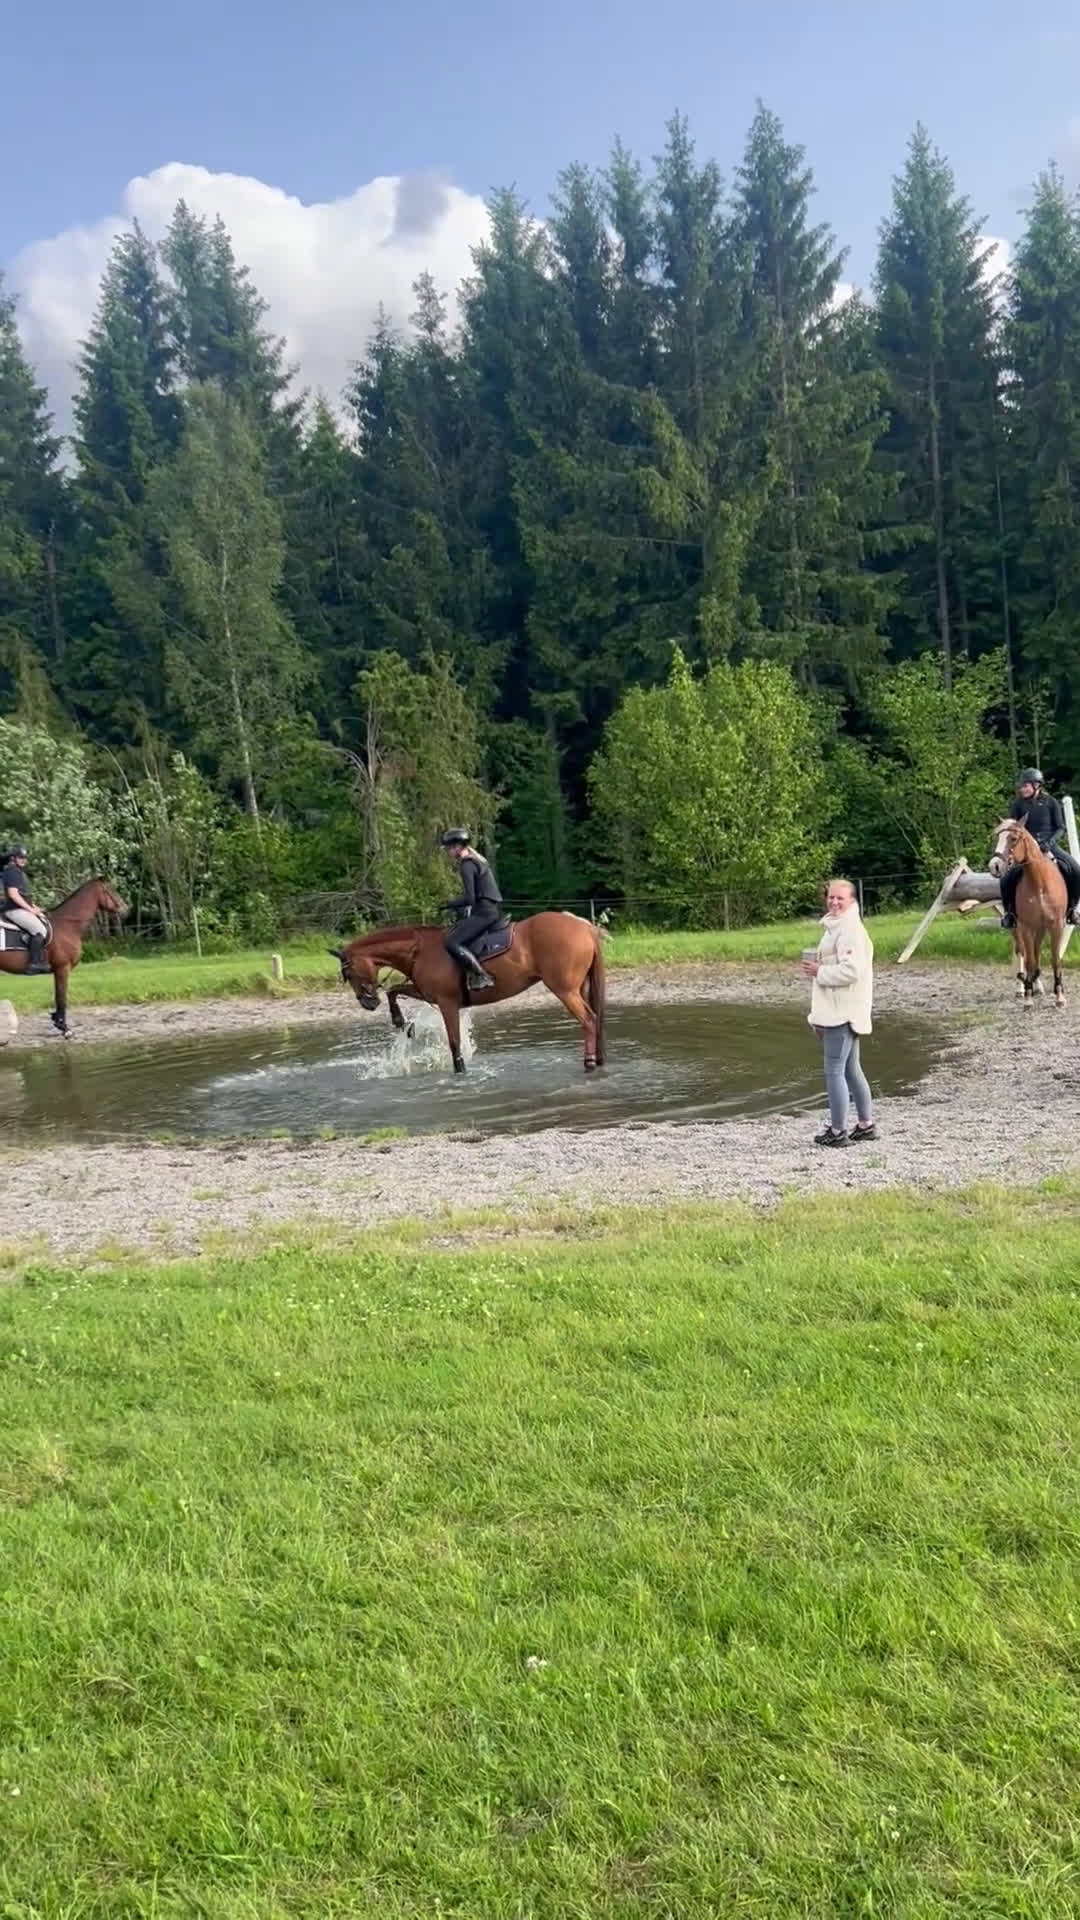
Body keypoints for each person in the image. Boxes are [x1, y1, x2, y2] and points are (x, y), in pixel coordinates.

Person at [800, 877, 875, 1148]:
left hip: (842, 1011)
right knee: (851, 1068)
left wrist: (819, 971)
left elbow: (852, 970)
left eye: (840, 898)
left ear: (852, 901)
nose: (833, 902)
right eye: (831, 897)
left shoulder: (850, 929)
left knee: (834, 1070)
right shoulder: (836, 927)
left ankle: (837, 1131)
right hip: (842, 1008)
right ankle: (865, 1125)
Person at [999, 769, 1080, 929]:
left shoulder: (1051, 802)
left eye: (1026, 786)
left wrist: (1048, 844)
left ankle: (1071, 910)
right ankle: (1010, 913)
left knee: (1076, 871)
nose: (1022, 789)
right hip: (1026, 848)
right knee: (1006, 878)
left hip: (1049, 845)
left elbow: (1060, 828)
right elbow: (1014, 828)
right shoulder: (1018, 804)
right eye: (1021, 786)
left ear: (1037, 785)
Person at [440, 828, 506, 990]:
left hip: (484, 913)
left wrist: (448, 904)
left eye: (449, 848)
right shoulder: (477, 860)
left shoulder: (466, 865)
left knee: (451, 941)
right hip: (489, 910)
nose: (448, 852)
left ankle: (481, 975)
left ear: (456, 846)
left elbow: (470, 898)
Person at [0, 844, 50, 974]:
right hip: (14, 910)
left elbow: (24, 895)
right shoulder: (12, 871)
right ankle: (34, 964)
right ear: (13, 858)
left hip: (20, 908)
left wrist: (35, 907)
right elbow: (13, 894)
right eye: (20, 857)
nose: (24, 860)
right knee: (39, 929)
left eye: (25, 857)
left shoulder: (18, 872)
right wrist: (30, 910)